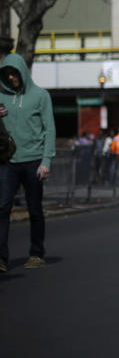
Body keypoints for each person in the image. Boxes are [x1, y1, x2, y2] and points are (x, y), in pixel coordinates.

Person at [0, 53, 56, 272]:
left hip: (33, 161)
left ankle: (36, 253)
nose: (12, 78)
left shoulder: (41, 96)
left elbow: (49, 128)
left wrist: (46, 160)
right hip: (7, 161)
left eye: (14, 74)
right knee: (3, 208)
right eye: (7, 74)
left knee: (34, 209)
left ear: (23, 73)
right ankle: (1, 258)